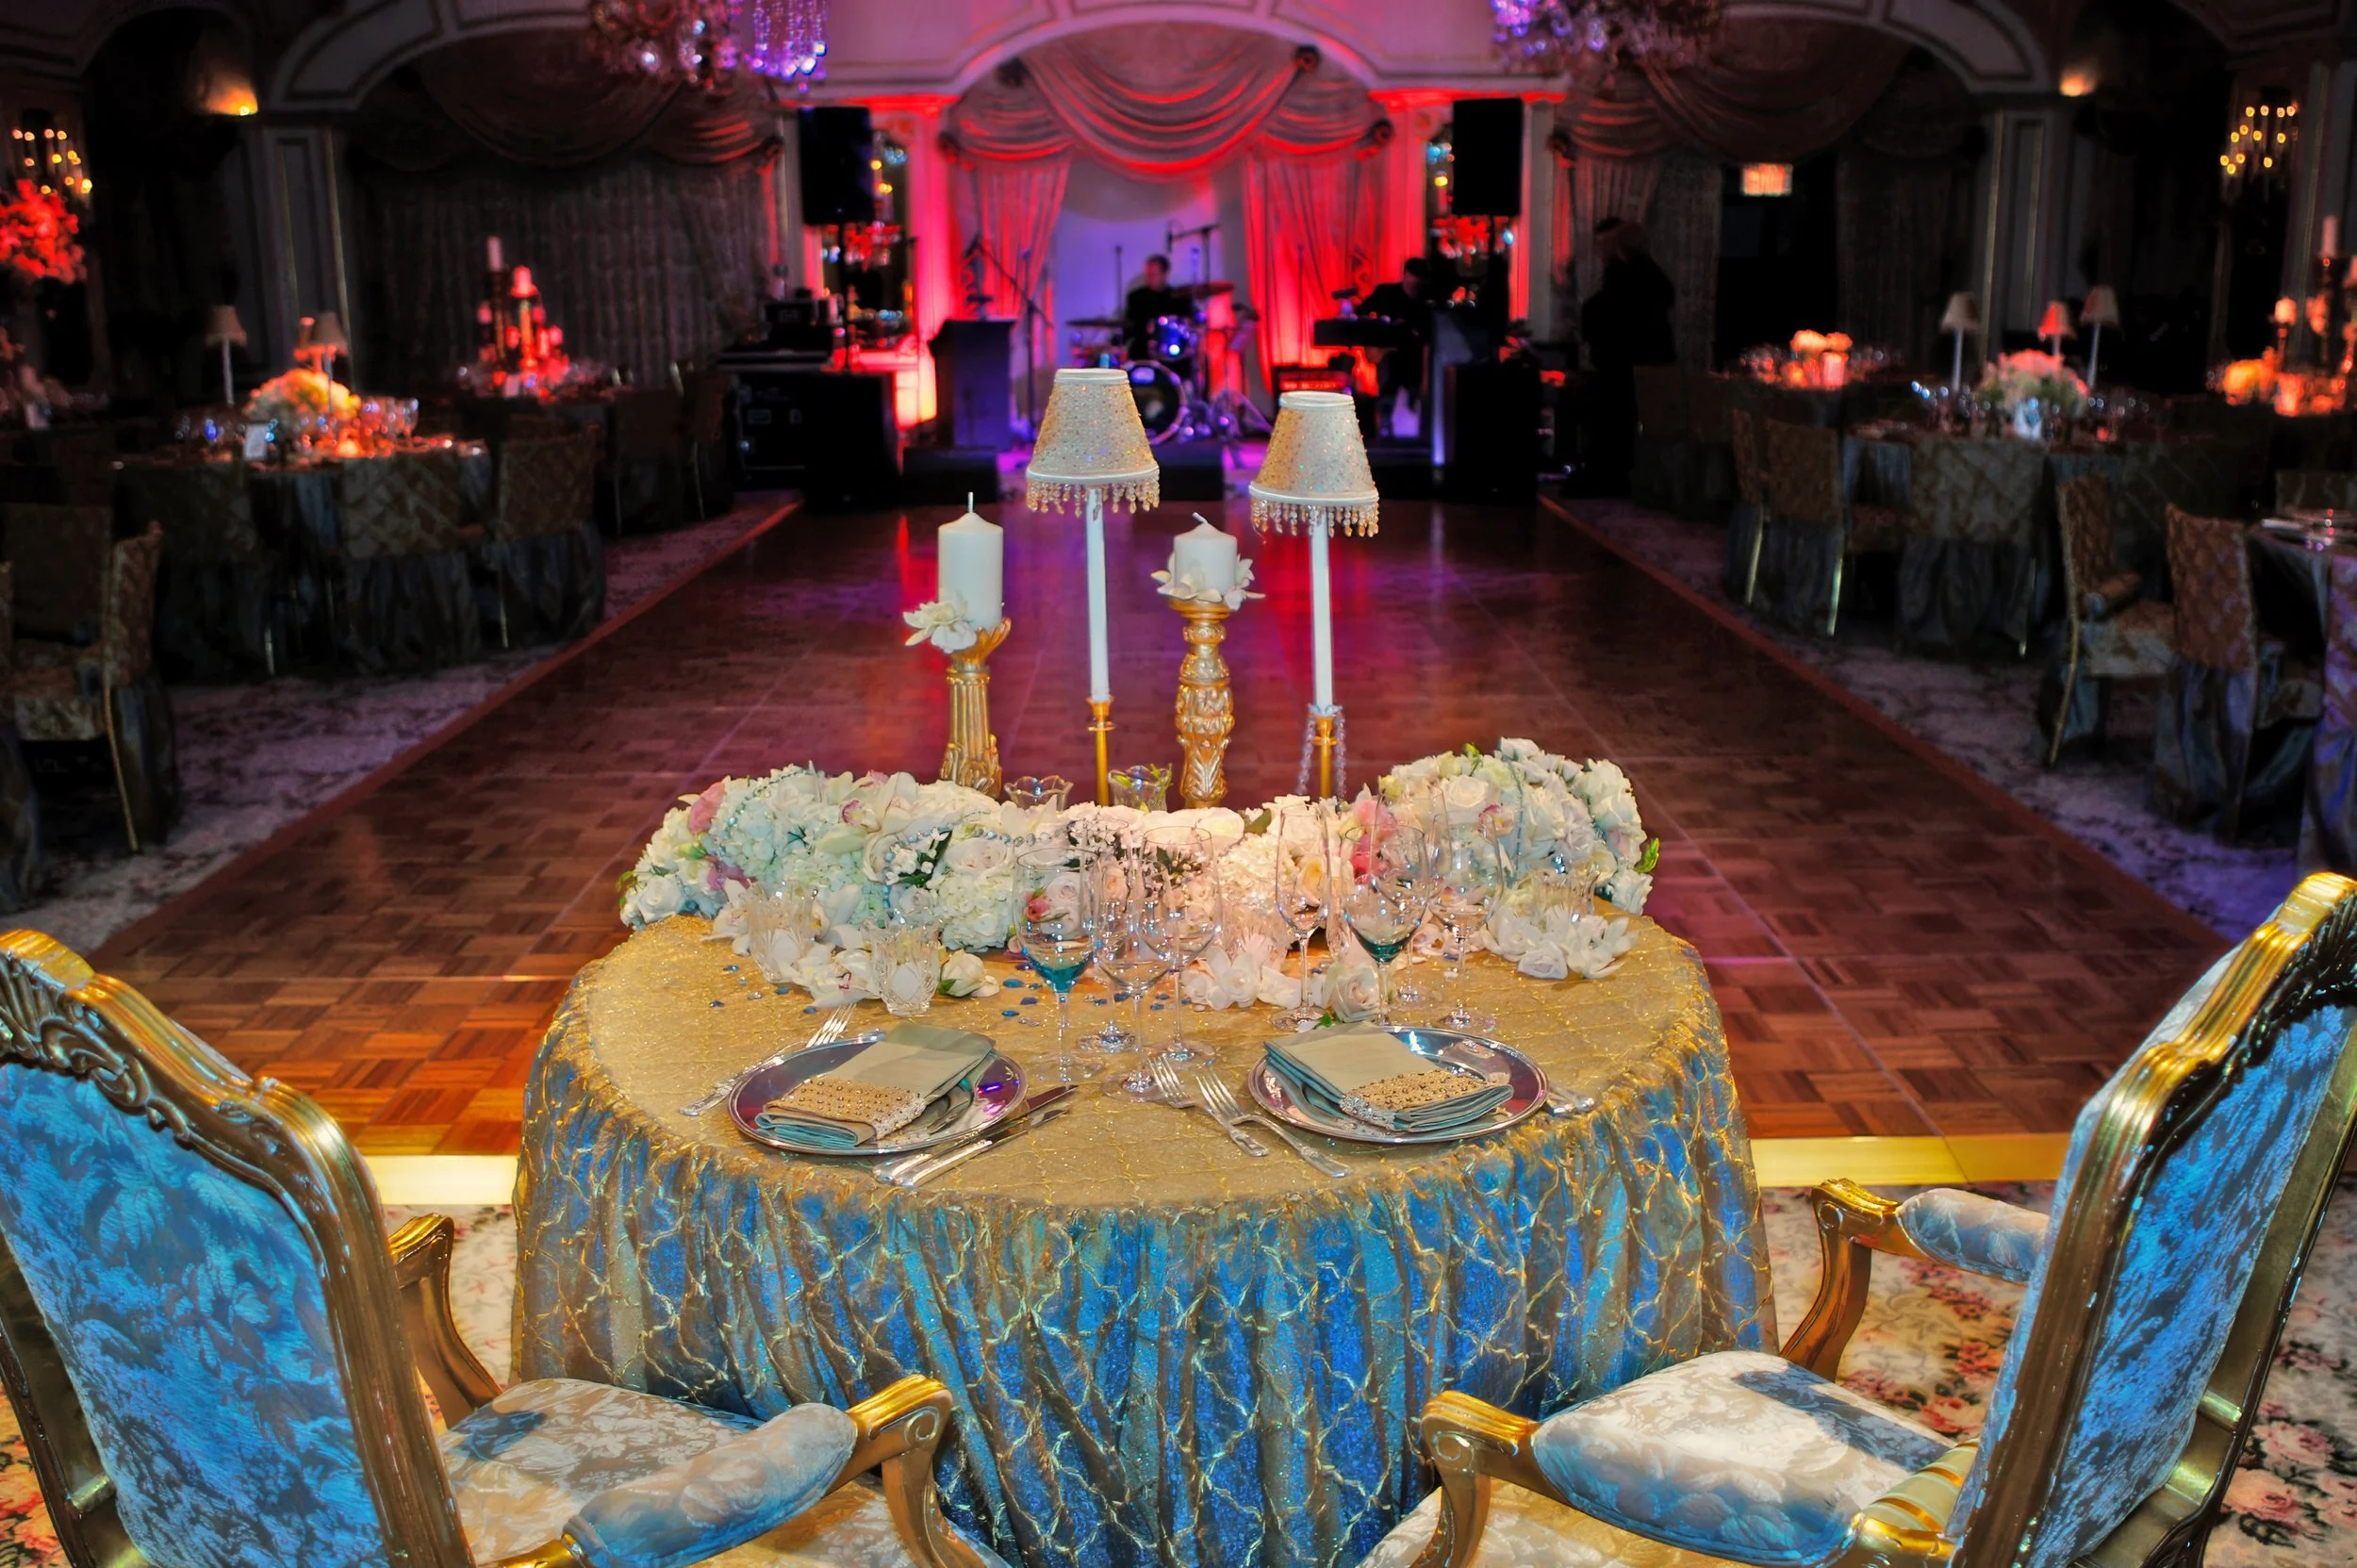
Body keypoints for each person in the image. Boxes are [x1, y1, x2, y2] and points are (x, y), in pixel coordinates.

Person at [1577, 217, 1676, 492]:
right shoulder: (1653, 275)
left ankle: (1610, 478)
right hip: (1651, 362)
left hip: (1623, 362)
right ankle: (1634, 478)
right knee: (1633, 425)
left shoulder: (1622, 274)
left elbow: (1613, 316)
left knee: (1615, 422)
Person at [1360, 256, 1435, 417]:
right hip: (1389, 358)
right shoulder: (1386, 294)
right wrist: (1374, 345)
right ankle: (1386, 424)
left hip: (1413, 359)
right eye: (1414, 276)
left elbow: (1426, 341)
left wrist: (1426, 381)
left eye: (1420, 278)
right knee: (1388, 393)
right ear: (1406, 275)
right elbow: (1360, 315)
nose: (1416, 282)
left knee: (1413, 400)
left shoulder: (1426, 303)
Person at [1124, 255, 1195, 361]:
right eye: (1148, 274)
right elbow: (1130, 326)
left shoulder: (1180, 298)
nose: (1150, 278)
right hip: (1144, 350)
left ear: (1165, 274)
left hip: (1173, 350)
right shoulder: (1136, 298)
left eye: (1154, 274)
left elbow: (1188, 324)